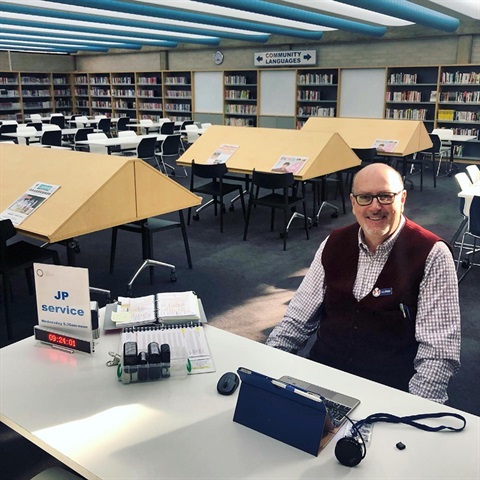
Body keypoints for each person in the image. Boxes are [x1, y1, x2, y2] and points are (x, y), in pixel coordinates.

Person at [266, 163, 460, 404]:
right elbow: (296, 321)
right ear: (353, 202)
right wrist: (266, 370)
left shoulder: (432, 253)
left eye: (385, 196)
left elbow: (438, 354)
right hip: (322, 382)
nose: (375, 207)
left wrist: (413, 410)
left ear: (403, 199)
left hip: (388, 394)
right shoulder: (333, 243)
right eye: (365, 197)